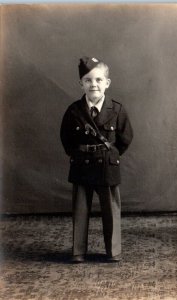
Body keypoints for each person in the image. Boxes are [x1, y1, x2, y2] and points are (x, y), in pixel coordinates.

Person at [60, 56, 133, 263]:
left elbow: (125, 137)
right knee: (80, 210)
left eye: (99, 80)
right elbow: (66, 138)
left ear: (107, 83)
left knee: (111, 210)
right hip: (82, 165)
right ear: (81, 84)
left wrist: (111, 155)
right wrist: (78, 154)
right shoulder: (74, 111)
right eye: (88, 80)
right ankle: (78, 252)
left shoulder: (116, 110)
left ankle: (113, 251)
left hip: (106, 166)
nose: (94, 84)